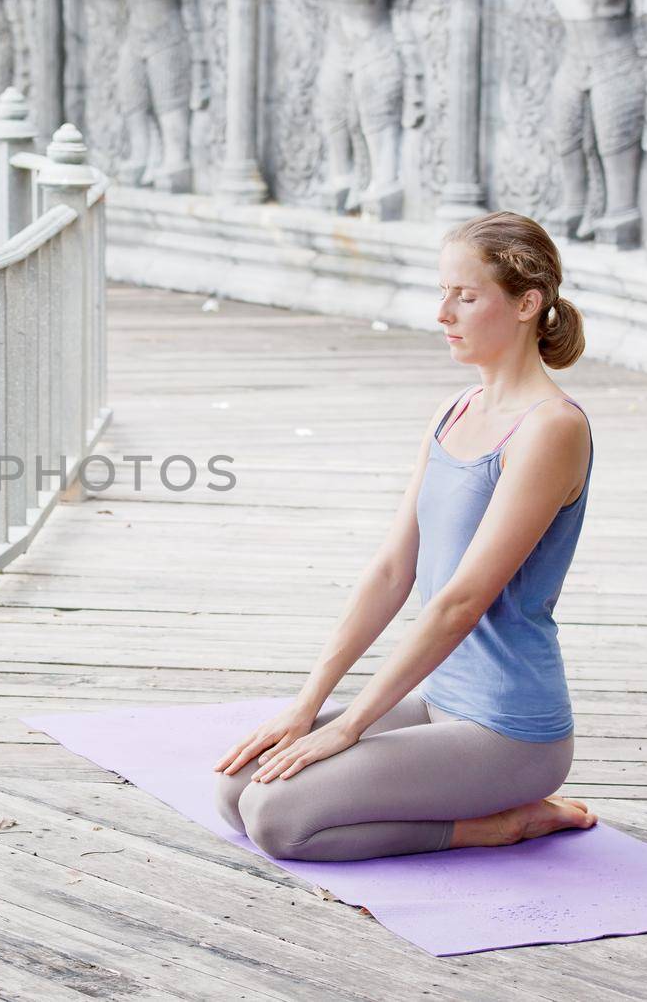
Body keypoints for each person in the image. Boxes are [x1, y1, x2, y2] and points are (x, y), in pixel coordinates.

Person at [212, 211, 600, 861]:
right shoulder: (455, 409)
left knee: (278, 818)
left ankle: (500, 823)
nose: (444, 313)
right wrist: (306, 708)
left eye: (466, 296)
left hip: (509, 729)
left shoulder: (551, 428)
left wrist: (352, 726)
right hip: (439, 701)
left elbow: (459, 601)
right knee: (235, 788)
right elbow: (395, 569)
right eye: (442, 291)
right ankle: (479, 811)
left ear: (528, 303)